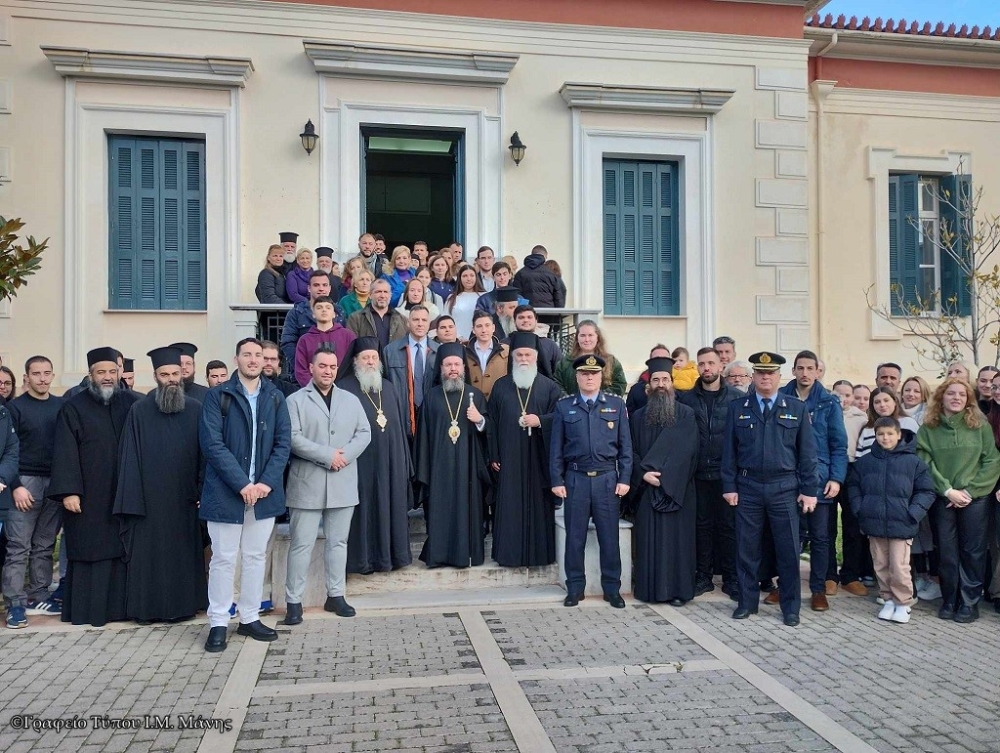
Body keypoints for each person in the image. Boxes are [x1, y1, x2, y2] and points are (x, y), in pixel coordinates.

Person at [200, 338, 291, 652]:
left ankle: (249, 617)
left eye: (259, 356)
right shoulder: (217, 396)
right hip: (227, 491)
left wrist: (265, 483)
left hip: (263, 492)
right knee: (224, 559)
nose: (254, 360)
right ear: (236, 358)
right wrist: (242, 484)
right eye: (247, 355)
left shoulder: (276, 397)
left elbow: (283, 444)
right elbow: (212, 444)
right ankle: (218, 622)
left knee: (255, 557)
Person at [722, 352, 818, 627]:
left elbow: (808, 454)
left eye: (771, 373)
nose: (766, 377)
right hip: (748, 486)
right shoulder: (738, 408)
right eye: (761, 373)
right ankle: (747, 603)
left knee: (788, 549)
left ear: (779, 377)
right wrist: (729, 485)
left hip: (784, 487)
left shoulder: (796, 408)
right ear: (753, 377)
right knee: (746, 549)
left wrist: (809, 490)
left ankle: (791, 608)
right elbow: (729, 451)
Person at [48, 347, 141, 627]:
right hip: (87, 496)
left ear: (119, 373)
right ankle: (90, 612)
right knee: (91, 550)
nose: (108, 377)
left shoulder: (132, 404)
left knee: (121, 549)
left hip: (123, 493)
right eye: (101, 372)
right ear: (91, 375)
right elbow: (64, 452)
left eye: (112, 372)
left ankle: (121, 610)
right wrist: (69, 491)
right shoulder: (73, 408)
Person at [114, 347, 207, 623]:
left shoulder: (196, 409)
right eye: (164, 374)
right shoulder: (139, 410)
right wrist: (133, 500)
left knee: (183, 555)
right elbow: (129, 457)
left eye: (175, 374)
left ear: (182, 375)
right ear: (155, 376)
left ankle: (185, 607)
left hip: (185, 499)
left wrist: (202, 491)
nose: (171, 379)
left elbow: (207, 454)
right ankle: (148, 610)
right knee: (150, 558)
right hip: (149, 503)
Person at [282, 346, 371, 625]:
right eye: (323, 366)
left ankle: (336, 595)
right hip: (307, 483)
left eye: (333, 367)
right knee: (301, 545)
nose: (328, 371)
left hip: (342, 481)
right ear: (311, 368)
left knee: (338, 543)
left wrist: (342, 457)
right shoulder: (295, 400)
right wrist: (326, 455)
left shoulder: (350, 399)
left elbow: (364, 433)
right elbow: (293, 438)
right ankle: (293, 601)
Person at [551, 355, 632, 607]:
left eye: (594, 373)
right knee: (575, 538)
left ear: (601, 377)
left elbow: (626, 446)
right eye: (584, 374)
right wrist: (557, 479)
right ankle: (575, 588)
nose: (589, 377)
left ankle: (612, 589)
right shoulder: (565, 407)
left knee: (610, 537)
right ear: (577, 377)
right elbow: (556, 448)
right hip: (575, 479)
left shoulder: (616, 405)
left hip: (608, 479)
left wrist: (625, 477)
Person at [917, 378, 1000, 623]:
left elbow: (992, 461)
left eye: (961, 395)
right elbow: (924, 463)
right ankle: (950, 599)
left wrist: (970, 492)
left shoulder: (980, 426)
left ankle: (969, 602)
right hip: (944, 499)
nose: (956, 398)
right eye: (951, 393)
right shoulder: (928, 429)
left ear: (968, 400)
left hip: (975, 499)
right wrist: (947, 490)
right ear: (941, 396)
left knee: (973, 552)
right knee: (946, 552)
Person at [770, 350, 847, 613]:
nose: (804, 373)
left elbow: (839, 445)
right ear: (793, 371)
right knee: (788, 537)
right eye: (800, 368)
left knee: (821, 538)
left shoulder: (829, 402)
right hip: (788, 478)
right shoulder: (780, 398)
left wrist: (836, 478)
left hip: (820, 479)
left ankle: (817, 590)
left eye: (809, 368)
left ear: (818, 371)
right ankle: (786, 586)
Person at [848, 416, 936, 624]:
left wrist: (912, 512)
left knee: (899, 565)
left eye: (889, 434)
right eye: (880, 434)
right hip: (874, 522)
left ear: (898, 434)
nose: (885, 438)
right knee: (880, 564)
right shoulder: (866, 462)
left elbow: (926, 491)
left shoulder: (913, 462)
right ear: (875, 436)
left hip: (902, 523)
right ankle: (887, 598)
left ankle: (903, 602)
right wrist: (860, 508)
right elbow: (853, 486)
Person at [627, 357, 699, 605]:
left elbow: (689, 452)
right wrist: (643, 474)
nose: (660, 384)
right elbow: (631, 452)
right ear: (648, 386)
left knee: (678, 544)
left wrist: (667, 479)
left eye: (665, 380)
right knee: (650, 543)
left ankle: (678, 592)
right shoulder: (636, 417)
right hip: (647, 489)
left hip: (678, 491)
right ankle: (649, 590)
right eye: (655, 379)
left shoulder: (686, 414)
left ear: (672, 383)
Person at [486, 333, 562, 567]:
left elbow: (559, 420)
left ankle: (540, 556)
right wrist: (495, 454)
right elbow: (492, 422)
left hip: (538, 458)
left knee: (539, 506)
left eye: (528, 354)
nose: (523, 359)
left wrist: (540, 421)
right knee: (509, 505)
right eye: (519, 355)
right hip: (509, 458)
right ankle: (508, 555)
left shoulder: (550, 388)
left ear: (536, 357)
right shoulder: (500, 386)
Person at [337, 338, 412, 573]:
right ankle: (362, 561)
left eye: (373, 357)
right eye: (365, 358)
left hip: (390, 464)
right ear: (355, 361)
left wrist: (404, 462)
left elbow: (399, 427)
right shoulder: (344, 388)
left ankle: (392, 558)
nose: (370, 362)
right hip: (360, 465)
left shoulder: (388, 387)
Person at [414, 342, 491, 568]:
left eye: (457, 364)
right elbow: (423, 438)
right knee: (440, 511)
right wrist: (424, 469)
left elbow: (490, 433)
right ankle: (438, 555)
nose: (453, 368)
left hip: (469, 467)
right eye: (448, 364)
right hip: (439, 468)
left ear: (463, 367)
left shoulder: (475, 396)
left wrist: (480, 420)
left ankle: (467, 554)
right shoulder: (431, 397)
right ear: (441, 368)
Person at [677, 347, 742, 600]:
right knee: (701, 527)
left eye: (711, 363)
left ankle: (731, 578)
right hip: (698, 475)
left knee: (729, 527)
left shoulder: (736, 398)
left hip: (727, 476)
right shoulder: (686, 400)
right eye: (702, 364)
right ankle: (702, 577)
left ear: (720, 367)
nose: (707, 368)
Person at [3, 357, 64, 625]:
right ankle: (15, 604)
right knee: (18, 547)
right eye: (36, 373)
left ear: (52, 375)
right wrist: (15, 487)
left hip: (54, 482)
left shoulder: (61, 406)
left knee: (44, 545)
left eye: (46, 373)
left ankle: (39, 595)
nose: (42, 378)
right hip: (24, 483)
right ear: (26, 377)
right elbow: (9, 450)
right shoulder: (14, 408)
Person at [384, 306, 438, 439]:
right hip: (401, 416)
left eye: (424, 320)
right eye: (415, 320)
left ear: (429, 324)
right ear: (408, 322)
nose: (420, 324)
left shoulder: (439, 351)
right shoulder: (390, 351)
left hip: (430, 415)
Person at [293, 296, 356, 387]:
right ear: (313, 314)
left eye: (328, 307)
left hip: (344, 391)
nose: (324, 310)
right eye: (319, 307)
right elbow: (301, 371)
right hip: (314, 393)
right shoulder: (305, 340)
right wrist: (317, 388)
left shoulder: (348, 336)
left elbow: (355, 364)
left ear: (334, 314)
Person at [555, 320, 627, 397]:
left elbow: (619, 385)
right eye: (582, 335)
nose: (586, 339)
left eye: (590, 335)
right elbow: (557, 386)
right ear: (577, 338)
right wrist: (573, 402)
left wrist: (597, 399)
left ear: (597, 338)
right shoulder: (565, 363)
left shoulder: (611, 361)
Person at [280, 270, 337, 366]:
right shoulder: (296, 312)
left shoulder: (339, 312)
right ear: (309, 288)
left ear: (329, 288)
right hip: (303, 372)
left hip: (333, 372)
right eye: (316, 285)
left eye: (324, 285)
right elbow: (288, 343)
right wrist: (301, 366)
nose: (321, 289)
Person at [346, 279, 407, 353]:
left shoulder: (402, 320)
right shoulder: (356, 318)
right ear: (370, 295)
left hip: (394, 364)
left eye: (385, 292)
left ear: (390, 295)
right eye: (378, 292)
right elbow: (351, 347)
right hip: (369, 363)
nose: (382, 295)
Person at [465, 311, 509, 400]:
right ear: (473, 329)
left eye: (487, 325)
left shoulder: (506, 351)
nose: (484, 330)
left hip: (499, 401)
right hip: (472, 402)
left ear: (493, 328)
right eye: (479, 326)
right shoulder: (464, 352)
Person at [511, 306, 561, 379]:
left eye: (529, 317)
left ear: (536, 320)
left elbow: (559, 373)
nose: (526, 320)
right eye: (521, 317)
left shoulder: (550, 345)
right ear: (515, 321)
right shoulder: (505, 344)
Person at [626, 345, 671, 415]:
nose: (660, 363)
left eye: (664, 359)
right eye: (656, 359)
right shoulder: (636, 390)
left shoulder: (680, 390)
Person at [445, 264, 484, 342]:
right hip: (456, 340)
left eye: (472, 275)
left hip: (479, 341)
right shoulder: (452, 298)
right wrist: (458, 337)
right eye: (465, 276)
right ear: (460, 278)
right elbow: (446, 319)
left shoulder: (484, 297)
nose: (469, 279)